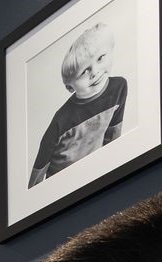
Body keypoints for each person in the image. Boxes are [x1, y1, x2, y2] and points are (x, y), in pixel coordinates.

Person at [30, 24, 127, 186]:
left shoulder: (119, 87)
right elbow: (42, 161)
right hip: (63, 182)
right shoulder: (62, 118)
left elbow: (114, 133)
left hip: (96, 172)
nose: (95, 72)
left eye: (100, 58)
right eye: (84, 71)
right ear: (70, 87)